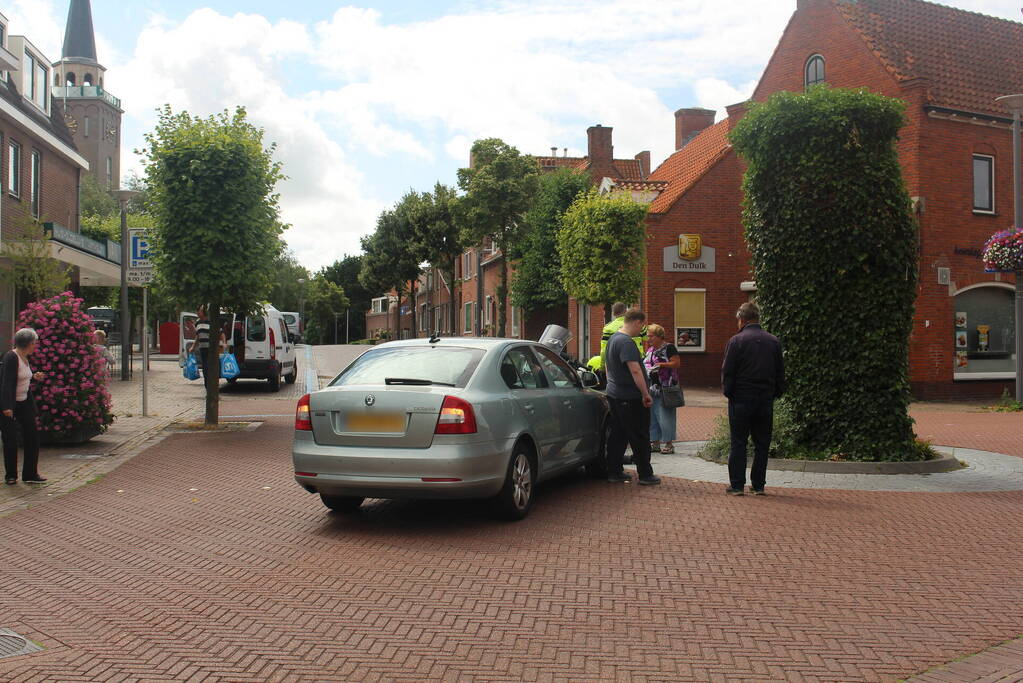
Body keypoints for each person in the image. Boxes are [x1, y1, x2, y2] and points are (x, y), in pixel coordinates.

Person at [721, 302, 785, 496]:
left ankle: (737, 485)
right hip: (764, 397)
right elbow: (779, 372)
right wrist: (775, 393)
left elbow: (728, 371)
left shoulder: (736, 341)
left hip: (741, 397)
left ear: (742, 319)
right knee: (762, 443)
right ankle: (758, 485)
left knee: (738, 441)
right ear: (757, 318)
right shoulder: (773, 341)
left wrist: (729, 392)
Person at [604, 308, 660, 486]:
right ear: (636, 322)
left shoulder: (613, 338)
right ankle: (645, 474)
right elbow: (635, 369)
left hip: (615, 393)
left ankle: (614, 471)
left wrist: (610, 384)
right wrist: (645, 393)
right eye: (642, 326)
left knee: (618, 435)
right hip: (630, 396)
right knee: (639, 435)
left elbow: (607, 365)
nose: (641, 330)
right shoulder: (626, 342)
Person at [1, 328, 47, 485]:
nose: (35, 346)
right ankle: (11, 475)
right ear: (28, 343)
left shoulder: (25, 357)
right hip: (10, 404)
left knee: (32, 435)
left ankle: (30, 473)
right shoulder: (11, 357)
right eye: (34, 343)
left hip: (24, 401)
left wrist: (34, 377)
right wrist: (7, 406)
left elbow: (22, 378)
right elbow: (7, 383)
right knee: (10, 439)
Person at [643, 324, 681, 455]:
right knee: (652, 416)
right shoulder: (650, 350)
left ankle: (669, 444)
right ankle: (655, 442)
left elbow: (676, 363)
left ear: (659, 336)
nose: (649, 339)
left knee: (666, 416)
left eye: (651, 336)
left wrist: (661, 365)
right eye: (648, 336)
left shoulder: (669, 348)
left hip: (666, 388)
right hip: (652, 388)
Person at [598, 302, 647, 370]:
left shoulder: (608, 328)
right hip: (639, 360)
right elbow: (647, 338)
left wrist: (602, 366)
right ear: (626, 311)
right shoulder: (637, 324)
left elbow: (604, 351)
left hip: (618, 363)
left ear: (613, 313)